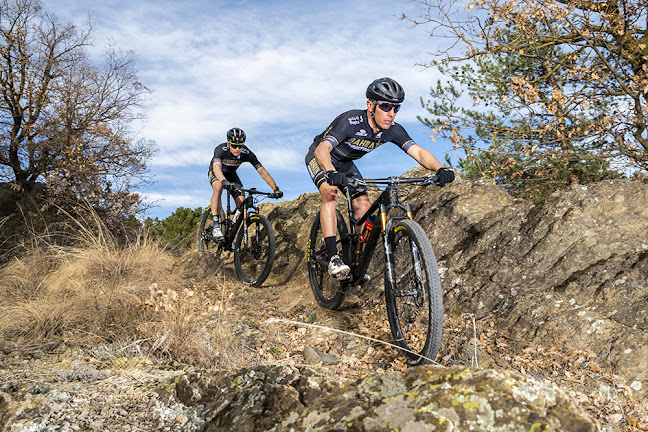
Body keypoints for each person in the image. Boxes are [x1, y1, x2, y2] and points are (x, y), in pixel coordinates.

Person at [305, 77, 455, 278]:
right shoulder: (350, 121)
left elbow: (418, 152)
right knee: (330, 192)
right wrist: (330, 172)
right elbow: (323, 148)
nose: (391, 114)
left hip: (346, 164)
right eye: (385, 107)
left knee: (364, 207)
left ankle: (355, 261)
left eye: (396, 108)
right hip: (322, 158)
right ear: (370, 105)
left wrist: (440, 169)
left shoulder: (392, 130)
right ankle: (333, 258)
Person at [209, 127, 283, 240]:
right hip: (217, 173)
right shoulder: (221, 149)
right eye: (234, 145)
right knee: (218, 187)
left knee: (242, 203)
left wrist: (275, 188)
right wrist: (223, 181)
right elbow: (216, 167)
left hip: (231, 175)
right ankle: (215, 226)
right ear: (228, 143)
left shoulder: (246, 153)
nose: (237, 149)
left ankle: (229, 233)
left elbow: (263, 172)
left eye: (240, 145)